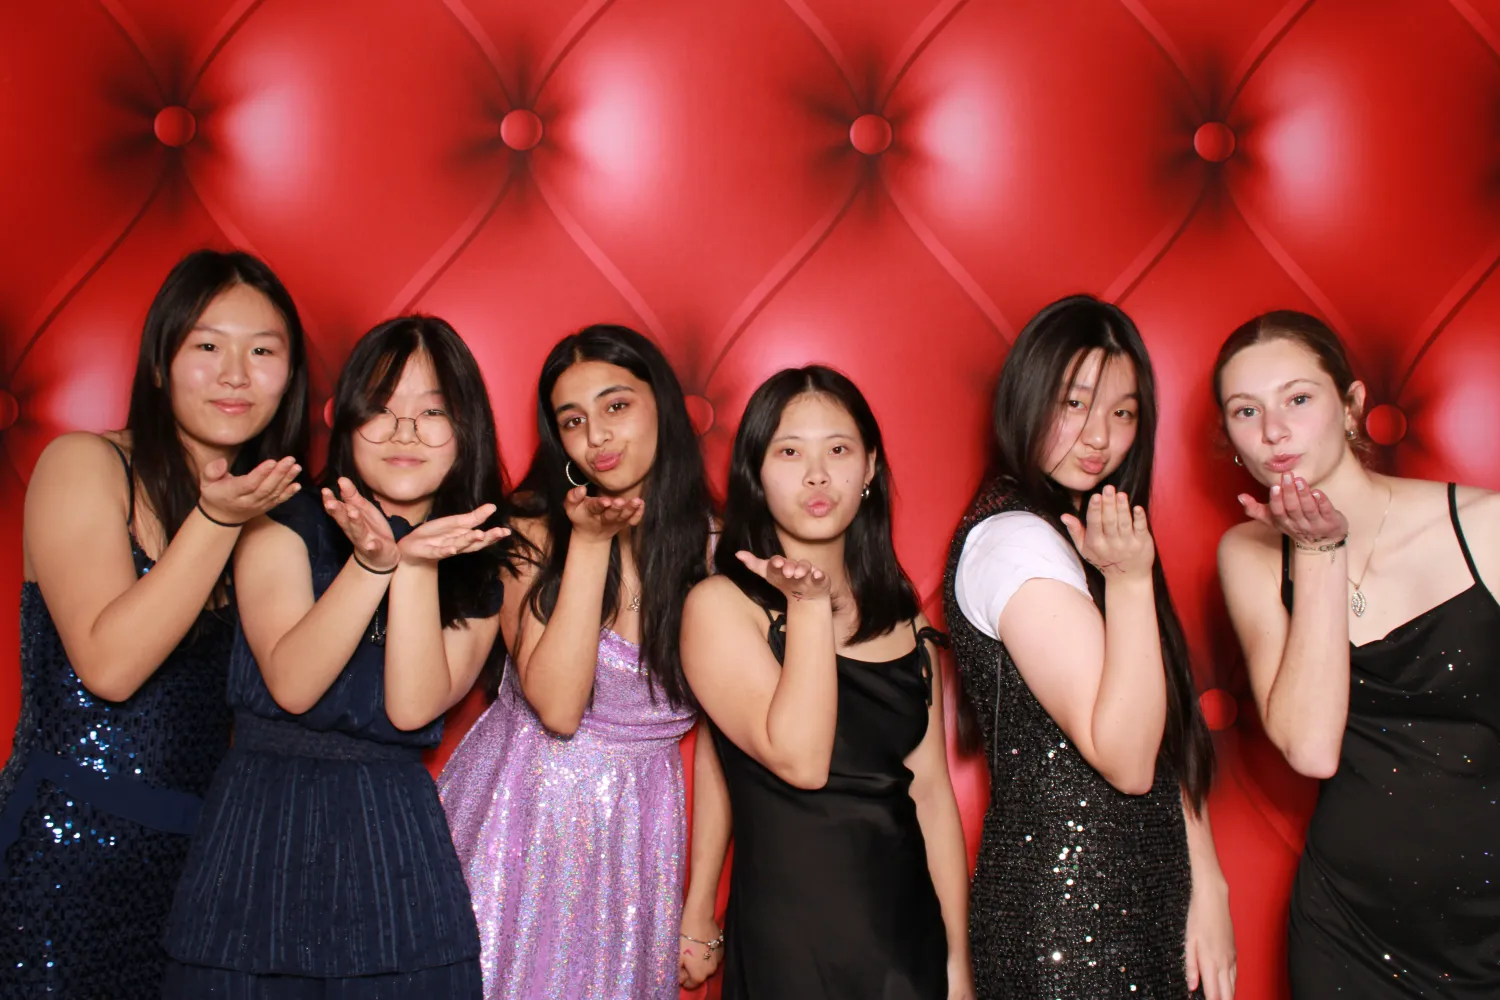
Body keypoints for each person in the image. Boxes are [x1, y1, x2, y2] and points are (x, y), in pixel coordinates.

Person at [161, 315, 508, 998]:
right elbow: (293, 683)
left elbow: (412, 708)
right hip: (259, 831)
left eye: (432, 412)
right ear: (346, 421)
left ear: (466, 429)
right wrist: (372, 566)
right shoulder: (276, 526)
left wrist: (415, 568)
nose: (405, 433)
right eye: (381, 408)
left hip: (394, 846)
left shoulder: (480, 561)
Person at [0, 249, 306, 999]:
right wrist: (216, 520)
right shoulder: (84, 463)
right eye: (207, 345)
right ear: (162, 363)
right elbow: (110, 667)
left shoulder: (276, 517)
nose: (235, 374)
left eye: (262, 352)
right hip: (61, 855)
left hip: (200, 871)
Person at [943, 295, 1234, 999]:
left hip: (1134, 904)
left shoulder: (1078, 533)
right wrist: (1130, 581)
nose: (1100, 436)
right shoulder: (1017, 542)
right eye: (1074, 403)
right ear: (1028, 394)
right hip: (1069, 928)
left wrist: (1206, 878)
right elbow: (1128, 761)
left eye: (1124, 413)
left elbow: (1159, 737)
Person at [438, 324, 730, 1000]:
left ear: (662, 406)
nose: (597, 435)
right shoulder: (533, 528)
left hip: (635, 831)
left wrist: (699, 907)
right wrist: (590, 544)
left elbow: (722, 744)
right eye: (573, 421)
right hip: (515, 812)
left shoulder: (718, 548)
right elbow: (559, 708)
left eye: (616, 405)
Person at [1214, 310, 1500, 998]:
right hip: (1350, 934)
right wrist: (1319, 552)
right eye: (1246, 410)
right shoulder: (1248, 553)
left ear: (1351, 405)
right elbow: (1311, 748)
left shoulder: (1488, 525)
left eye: (1298, 399)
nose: (1273, 430)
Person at [682, 365, 974, 1000]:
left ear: (870, 467)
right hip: (791, 944)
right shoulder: (719, 607)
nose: (817, 475)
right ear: (756, 474)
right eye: (789, 452)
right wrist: (809, 608)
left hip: (907, 945)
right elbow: (802, 760)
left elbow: (930, 795)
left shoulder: (905, 618)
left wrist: (957, 966)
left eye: (838, 450)